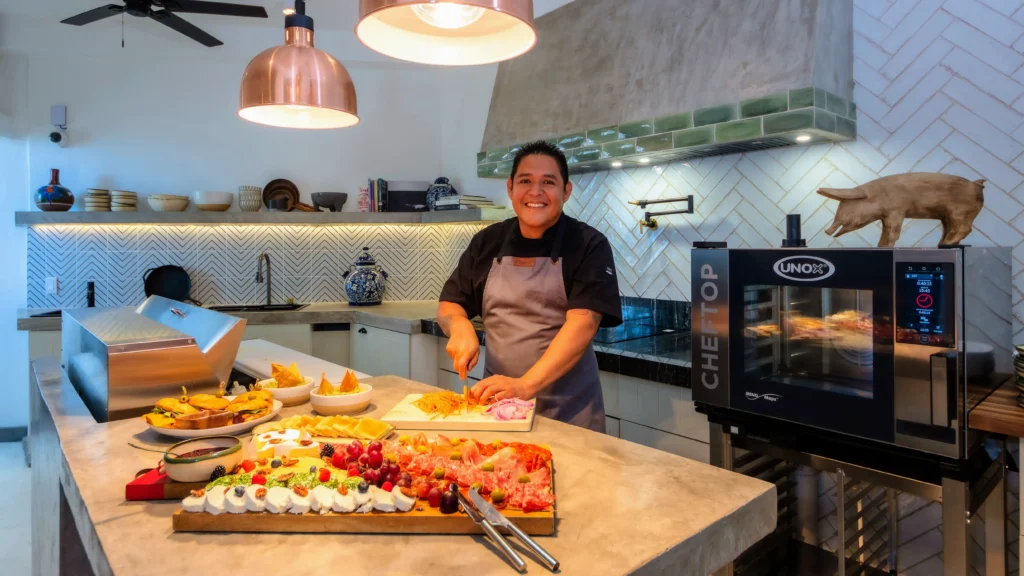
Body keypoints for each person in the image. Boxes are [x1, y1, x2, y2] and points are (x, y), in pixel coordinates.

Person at [436, 141, 622, 432]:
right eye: (525, 181)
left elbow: (584, 323)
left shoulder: (588, 244)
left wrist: (525, 386)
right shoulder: (487, 242)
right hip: (498, 409)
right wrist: (459, 326)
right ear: (510, 188)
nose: (536, 192)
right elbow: (450, 304)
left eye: (548, 182)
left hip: (570, 414)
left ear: (566, 191)